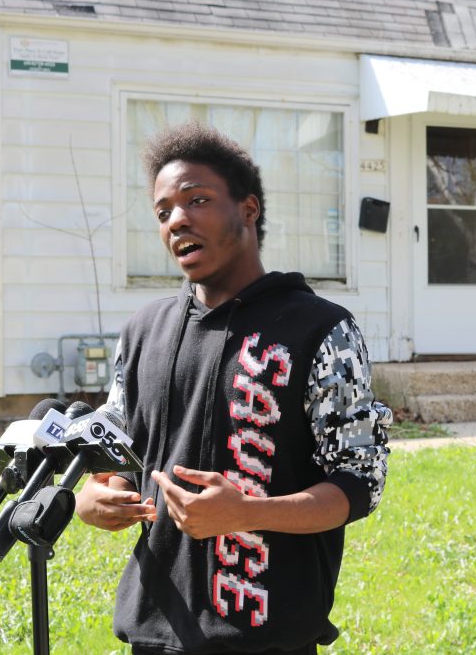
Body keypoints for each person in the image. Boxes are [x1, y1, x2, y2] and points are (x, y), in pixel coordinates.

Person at [75, 120, 391, 655]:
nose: (177, 220)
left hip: (269, 635)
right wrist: (93, 497)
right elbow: (116, 455)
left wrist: (248, 513)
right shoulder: (142, 331)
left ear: (248, 209)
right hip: (154, 630)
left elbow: (361, 482)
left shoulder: (319, 329)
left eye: (196, 200)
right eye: (162, 211)